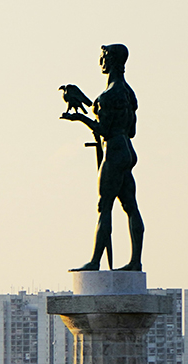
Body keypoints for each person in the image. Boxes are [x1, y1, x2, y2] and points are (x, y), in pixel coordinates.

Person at [61, 44, 144, 272]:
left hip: (114, 151)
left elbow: (104, 129)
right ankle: (135, 261)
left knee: (104, 205)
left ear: (113, 61)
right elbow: (132, 131)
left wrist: (80, 120)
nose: (101, 63)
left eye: (104, 58)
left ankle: (95, 262)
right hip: (127, 150)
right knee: (130, 206)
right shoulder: (128, 93)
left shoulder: (109, 95)